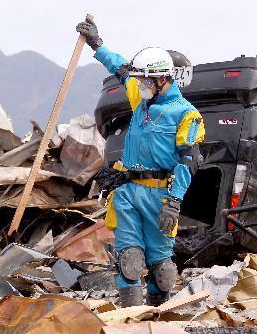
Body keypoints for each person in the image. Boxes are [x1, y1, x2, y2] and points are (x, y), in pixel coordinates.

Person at [76, 18, 205, 307]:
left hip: (160, 195)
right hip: (127, 190)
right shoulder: (141, 99)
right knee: (129, 260)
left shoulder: (185, 114)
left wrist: (174, 201)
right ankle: (130, 319)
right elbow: (120, 68)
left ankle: (157, 316)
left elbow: (188, 162)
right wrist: (97, 43)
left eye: (146, 80)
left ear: (163, 79)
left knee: (162, 268)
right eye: (141, 80)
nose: (140, 85)